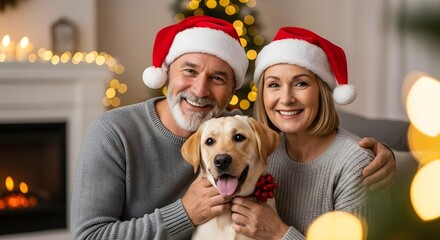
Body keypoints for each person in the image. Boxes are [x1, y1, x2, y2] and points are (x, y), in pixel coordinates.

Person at [70, 16, 395, 239]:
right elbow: (88, 236)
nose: (199, 90)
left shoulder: (235, 133)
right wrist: (184, 212)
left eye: (217, 78)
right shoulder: (112, 133)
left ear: (230, 93)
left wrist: (384, 154)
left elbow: (319, 135)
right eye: (189, 70)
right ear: (166, 74)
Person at [230, 27, 383, 239]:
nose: (286, 98)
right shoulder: (261, 151)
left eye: (300, 83)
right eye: (274, 85)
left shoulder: (354, 163)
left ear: (322, 91)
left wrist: (279, 233)